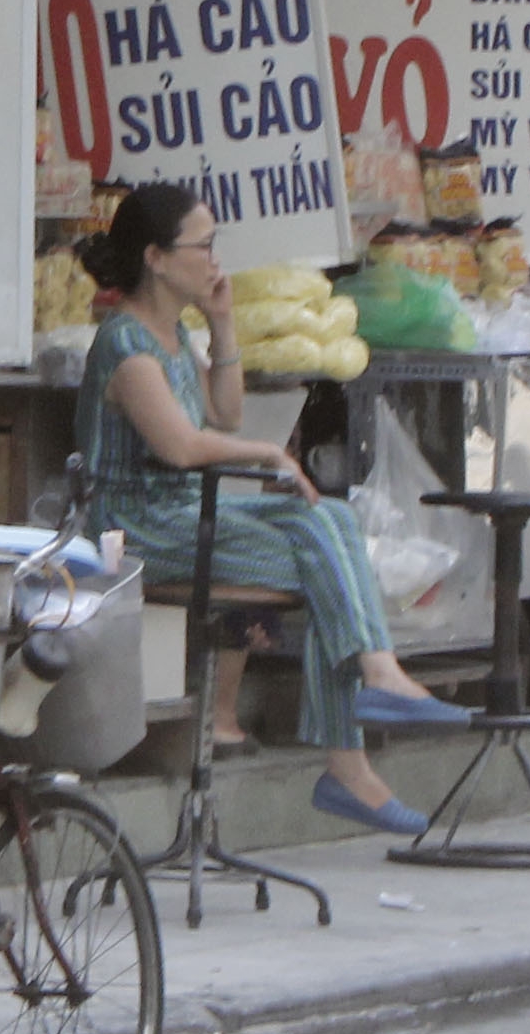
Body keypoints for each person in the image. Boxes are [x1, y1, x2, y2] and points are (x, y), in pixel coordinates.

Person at [74, 184, 459, 833]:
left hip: (189, 514)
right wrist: (269, 455)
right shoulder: (125, 345)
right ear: (158, 259)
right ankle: (354, 751)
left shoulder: (171, 337)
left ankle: (374, 689)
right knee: (324, 557)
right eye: (204, 246)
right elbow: (183, 443)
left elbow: (223, 409)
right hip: (139, 526)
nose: (215, 260)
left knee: (332, 521)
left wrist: (222, 322)